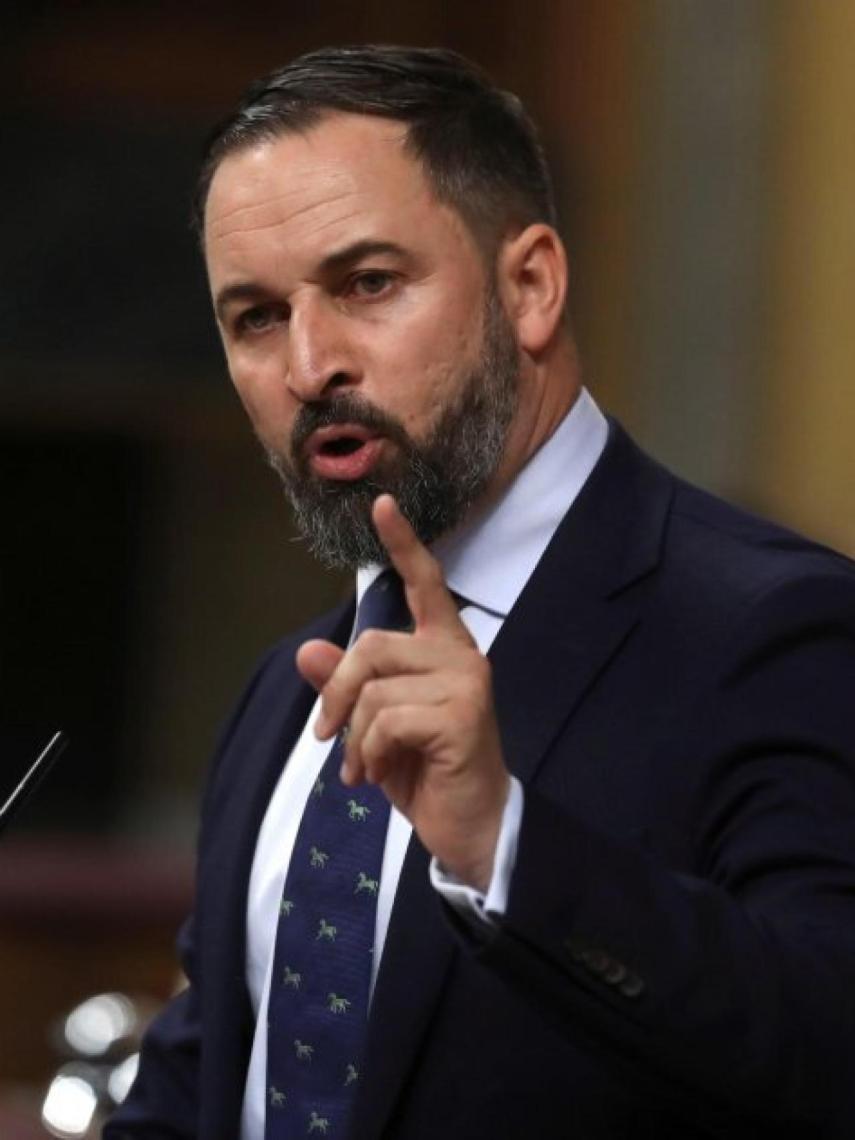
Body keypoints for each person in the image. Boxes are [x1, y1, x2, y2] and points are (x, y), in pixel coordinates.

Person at [105, 45, 855, 1140]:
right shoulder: (285, 694)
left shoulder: (773, 626)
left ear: (531, 285)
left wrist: (507, 843)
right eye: (257, 317)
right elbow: (210, 1086)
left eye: (367, 283)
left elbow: (830, 1054)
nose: (311, 364)